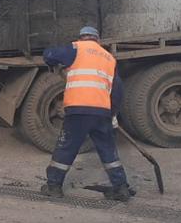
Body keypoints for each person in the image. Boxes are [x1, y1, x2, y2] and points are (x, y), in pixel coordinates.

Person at [40, 26, 134, 202]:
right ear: (97, 40)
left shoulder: (76, 48)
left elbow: (50, 55)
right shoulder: (108, 58)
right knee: (108, 150)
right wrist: (112, 113)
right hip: (101, 113)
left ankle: (53, 186)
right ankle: (121, 187)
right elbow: (117, 91)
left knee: (66, 147)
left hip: (78, 111)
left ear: (82, 37)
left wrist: (51, 61)